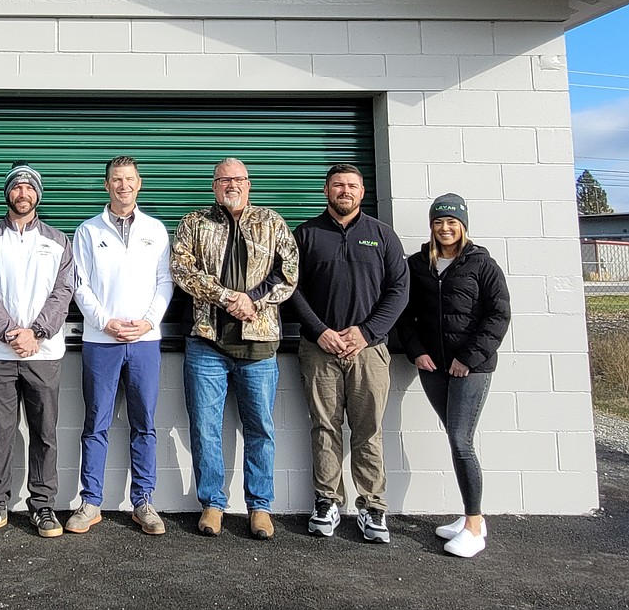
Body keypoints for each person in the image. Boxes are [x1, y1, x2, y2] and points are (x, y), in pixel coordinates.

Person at [170, 158, 298, 540]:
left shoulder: (272, 222)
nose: (232, 184)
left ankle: (260, 507)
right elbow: (182, 270)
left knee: (260, 427)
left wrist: (253, 300)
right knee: (206, 428)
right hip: (207, 341)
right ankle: (212, 504)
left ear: (249, 183)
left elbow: (288, 272)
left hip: (259, 343)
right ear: (214, 185)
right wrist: (227, 297)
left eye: (238, 179)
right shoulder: (194, 222)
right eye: (224, 179)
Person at [290, 163, 408, 544]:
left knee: (368, 429)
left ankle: (373, 507)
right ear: (326, 191)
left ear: (362, 192)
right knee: (324, 427)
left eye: (352, 186)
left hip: (368, 352)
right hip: (318, 350)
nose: (345, 191)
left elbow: (399, 291)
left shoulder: (382, 236)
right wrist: (320, 331)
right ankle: (327, 501)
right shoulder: (306, 235)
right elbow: (291, 289)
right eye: (338, 185)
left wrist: (366, 331)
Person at [397, 194, 511, 558]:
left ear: (463, 225)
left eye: (451, 222)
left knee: (461, 441)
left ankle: (475, 526)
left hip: (470, 369)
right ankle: (468, 518)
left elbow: (498, 315)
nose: (444, 228)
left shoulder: (482, 264)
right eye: (438, 222)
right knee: (455, 439)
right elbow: (404, 314)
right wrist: (416, 351)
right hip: (434, 369)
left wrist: (468, 357)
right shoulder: (417, 265)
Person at [67, 156, 173, 536]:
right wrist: (105, 322)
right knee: (96, 423)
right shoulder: (87, 231)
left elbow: (165, 283)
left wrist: (148, 321)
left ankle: (143, 502)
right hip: (101, 341)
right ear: (106, 185)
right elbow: (79, 284)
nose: (123, 185)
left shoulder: (157, 231)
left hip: (145, 342)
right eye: (116, 179)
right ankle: (90, 501)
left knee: (144, 423)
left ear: (139, 184)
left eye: (129, 179)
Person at [0, 162, 74, 541]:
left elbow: (63, 294)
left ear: (38, 195)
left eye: (29, 188)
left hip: (44, 354)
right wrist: (12, 333)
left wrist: (37, 333)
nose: (23, 193)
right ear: (7, 193)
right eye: (17, 187)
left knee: (44, 432)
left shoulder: (59, 241)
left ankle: (42, 505)